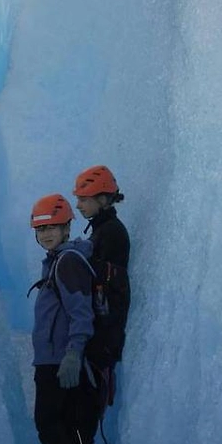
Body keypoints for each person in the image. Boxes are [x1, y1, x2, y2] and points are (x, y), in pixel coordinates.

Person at [28, 193, 105, 444]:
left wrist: (73, 354)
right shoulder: (59, 260)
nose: (46, 234)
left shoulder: (68, 262)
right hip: (55, 360)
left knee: (50, 425)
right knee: (70, 429)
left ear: (66, 225)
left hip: (60, 363)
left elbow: (80, 311)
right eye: (40, 229)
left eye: (53, 227)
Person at [73, 165, 131, 394]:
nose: (78, 205)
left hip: (103, 339)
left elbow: (108, 290)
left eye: (83, 199)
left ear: (103, 199)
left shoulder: (111, 233)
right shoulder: (103, 230)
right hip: (103, 336)